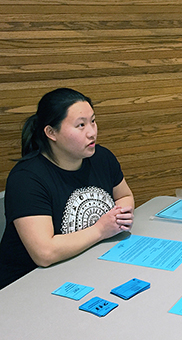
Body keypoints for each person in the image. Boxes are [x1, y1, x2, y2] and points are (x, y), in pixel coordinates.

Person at [0, 88, 134, 290]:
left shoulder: (101, 157)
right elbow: (45, 253)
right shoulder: (26, 179)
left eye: (93, 121)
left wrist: (121, 214)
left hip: (87, 266)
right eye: (80, 125)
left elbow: (124, 195)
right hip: (28, 284)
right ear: (51, 132)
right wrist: (100, 229)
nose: (92, 132)